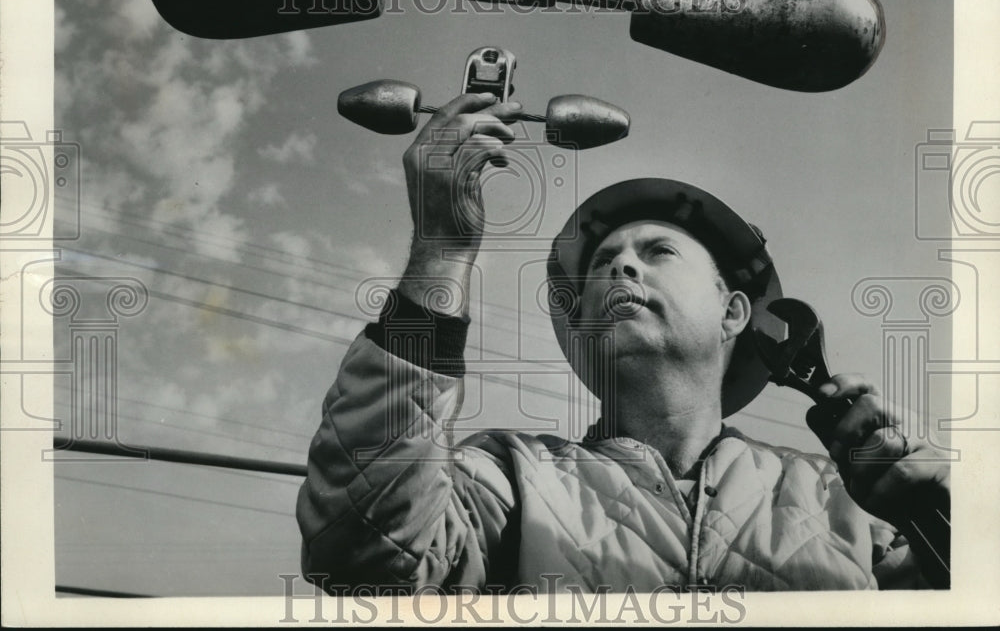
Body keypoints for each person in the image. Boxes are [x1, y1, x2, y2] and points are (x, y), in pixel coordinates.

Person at [296, 93, 950, 592]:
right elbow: (365, 555)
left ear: (733, 312)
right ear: (582, 328)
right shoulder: (509, 476)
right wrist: (440, 254)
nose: (620, 267)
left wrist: (934, 505)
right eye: (604, 260)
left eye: (657, 250)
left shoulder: (840, 498)